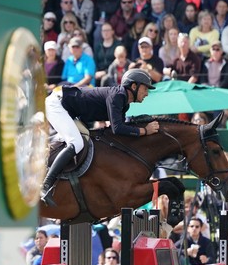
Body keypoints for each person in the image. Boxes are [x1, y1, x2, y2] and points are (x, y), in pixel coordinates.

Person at [41, 69, 159, 206]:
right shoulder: (117, 96)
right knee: (77, 143)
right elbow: (117, 129)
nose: (147, 93)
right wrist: (144, 130)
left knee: (84, 139)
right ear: (134, 86)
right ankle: (46, 185)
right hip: (58, 104)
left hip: (69, 110)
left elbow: (118, 132)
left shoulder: (123, 103)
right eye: (145, 89)